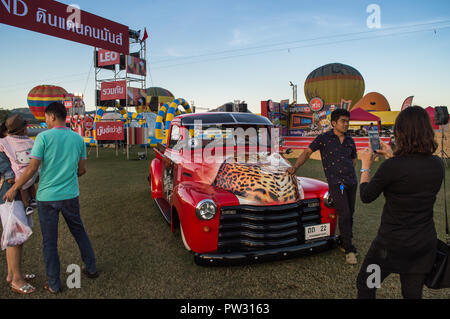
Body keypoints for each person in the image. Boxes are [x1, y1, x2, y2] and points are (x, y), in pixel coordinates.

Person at [4, 102, 98, 294]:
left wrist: (14, 187)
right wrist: (68, 173)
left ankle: (54, 284)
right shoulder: (78, 139)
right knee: (79, 232)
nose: (45, 121)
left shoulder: (43, 137)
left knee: (49, 242)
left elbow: (31, 169)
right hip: (70, 195)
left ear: (52, 117)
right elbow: (81, 170)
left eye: (46, 118)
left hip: (47, 197)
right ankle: (91, 268)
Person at [356, 106, 444, 299]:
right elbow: (411, 172)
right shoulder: (438, 165)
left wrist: (365, 167)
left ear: (400, 133)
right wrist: (391, 155)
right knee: (412, 294)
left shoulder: (392, 167)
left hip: (389, 247)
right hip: (422, 245)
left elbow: (366, 195)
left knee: (367, 284)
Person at [288, 108, 359, 264]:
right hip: (338, 184)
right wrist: (295, 167)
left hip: (351, 182)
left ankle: (342, 240)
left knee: (349, 213)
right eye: (343, 121)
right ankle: (349, 250)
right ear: (334, 123)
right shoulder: (324, 138)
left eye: (348, 121)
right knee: (345, 213)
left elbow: (353, 160)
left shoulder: (350, 141)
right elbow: (307, 152)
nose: (346, 124)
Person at [0, 121, 36, 294]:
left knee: (17, 236)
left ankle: (11, 274)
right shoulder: (3, 146)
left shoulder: (11, 145)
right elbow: (10, 176)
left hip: (16, 194)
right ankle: (16, 279)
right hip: (9, 195)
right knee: (15, 237)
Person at [0, 115, 38, 215]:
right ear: (24, 130)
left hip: (20, 174)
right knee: (31, 185)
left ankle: (26, 206)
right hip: (33, 172)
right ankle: (34, 199)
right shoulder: (30, 141)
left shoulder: (5, 142)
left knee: (22, 188)